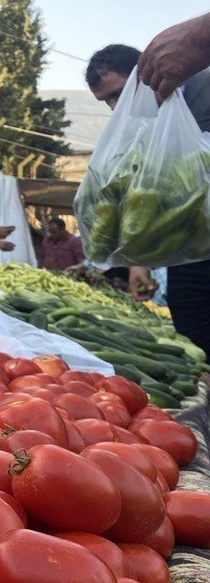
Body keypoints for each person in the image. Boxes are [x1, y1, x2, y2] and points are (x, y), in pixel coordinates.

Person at [87, 29, 210, 353]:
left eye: (118, 93)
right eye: (106, 101)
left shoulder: (204, 87)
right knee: (193, 331)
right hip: (191, 254)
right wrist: (138, 261)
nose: (116, 107)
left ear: (146, 72)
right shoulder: (138, 126)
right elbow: (145, 199)